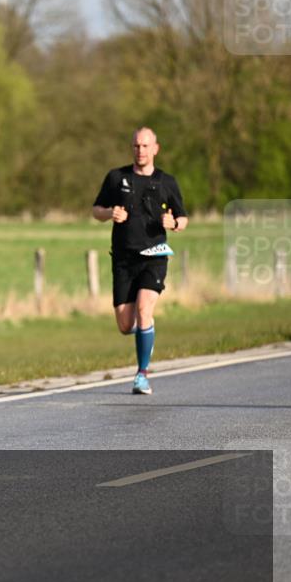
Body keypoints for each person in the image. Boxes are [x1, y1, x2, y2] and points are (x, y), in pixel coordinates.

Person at [92, 127, 188, 395]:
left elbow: (183, 217)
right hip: (123, 259)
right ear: (131, 148)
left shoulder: (167, 182)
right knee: (126, 325)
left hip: (154, 256)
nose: (140, 150)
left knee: (145, 309)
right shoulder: (116, 178)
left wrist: (175, 222)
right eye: (136, 146)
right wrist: (110, 213)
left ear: (155, 148)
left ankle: (141, 374)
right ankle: (146, 334)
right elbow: (95, 210)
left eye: (145, 146)